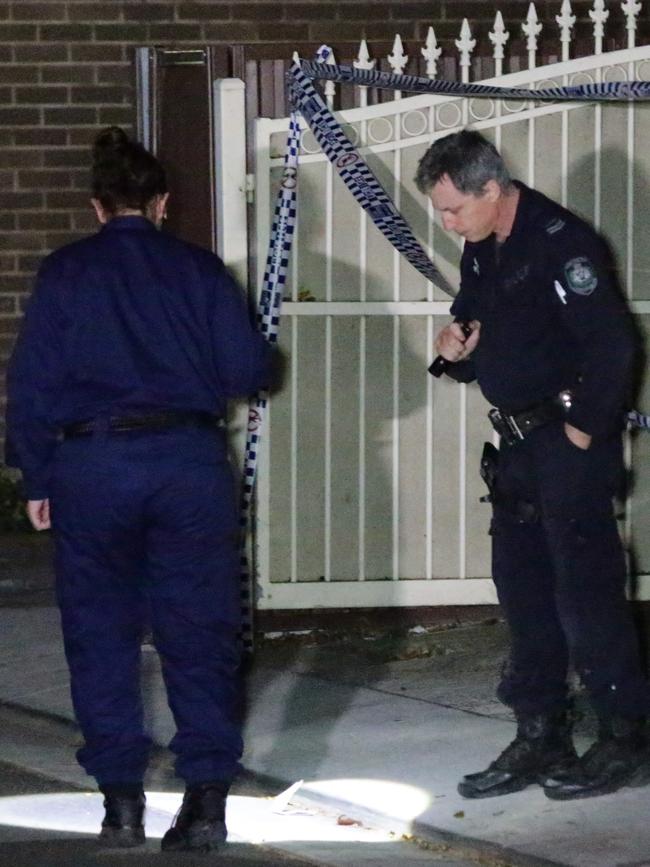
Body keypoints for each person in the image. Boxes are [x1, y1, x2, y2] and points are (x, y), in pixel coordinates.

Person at [5, 126, 273, 850]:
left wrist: (37, 474)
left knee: (100, 635)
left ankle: (120, 800)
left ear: (98, 207)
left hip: (93, 464)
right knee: (199, 632)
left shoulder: (64, 274)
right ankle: (207, 797)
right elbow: (248, 371)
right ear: (160, 202)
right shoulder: (200, 270)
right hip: (186, 461)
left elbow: (31, 383)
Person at [415, 129, 650, 801]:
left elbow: (614, 344)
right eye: (442, 210)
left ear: (493, 188)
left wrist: (582, 434)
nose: (448, 222)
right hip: (517, 448)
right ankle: (540, 730)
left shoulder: (561, 242)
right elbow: (478, 325)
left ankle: (622, 736)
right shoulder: (484, 247)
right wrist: (454, 352)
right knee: (524, 594)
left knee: (587, 596)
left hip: (566, 441)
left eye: (455, 208)